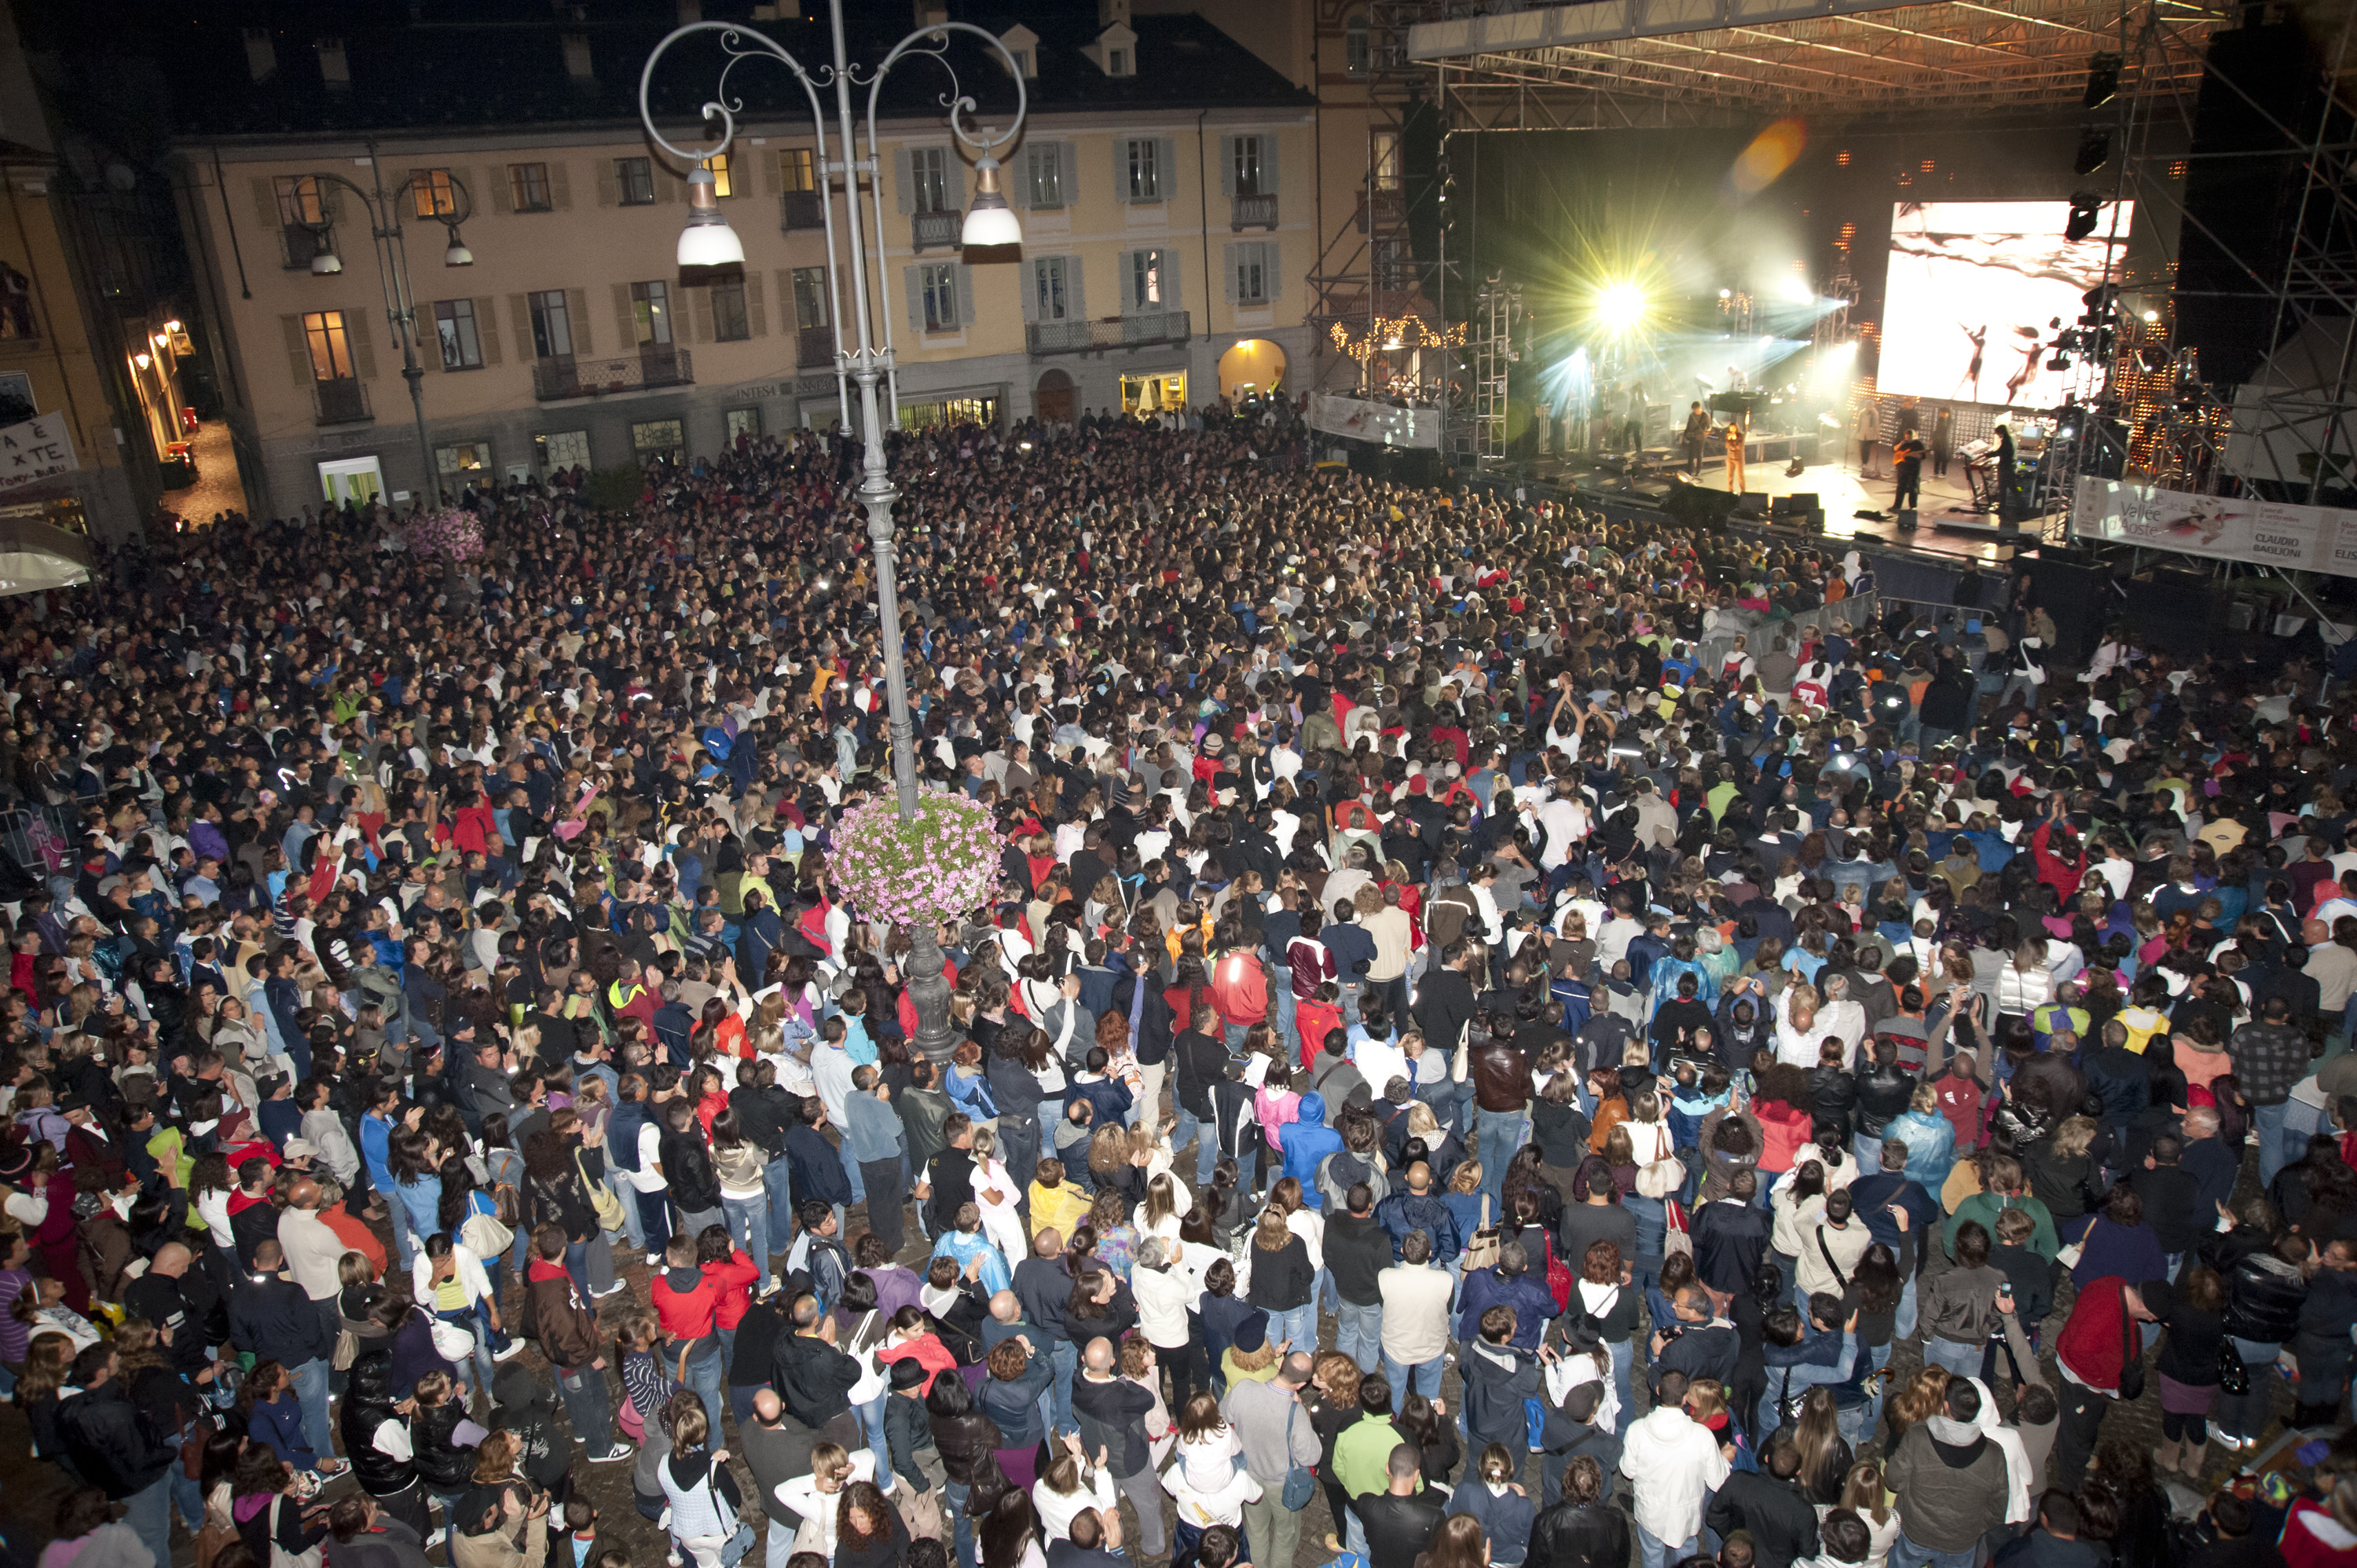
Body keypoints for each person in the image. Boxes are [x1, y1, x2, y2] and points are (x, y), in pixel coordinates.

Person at [1618, 1370, 1730, 1568]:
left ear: (1658, 1390)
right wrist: (1724, 1460)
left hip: (1650, 1513)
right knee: (1685, 1556)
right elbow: (1717, 1481)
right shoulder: (1702, 1436)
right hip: (1685, 1516)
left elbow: (1628, 1471)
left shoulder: (1637, 1430)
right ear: (1685, 1398)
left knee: (1652, 1556)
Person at [1891, 428, 1926, 515]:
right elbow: (1895, 449)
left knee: (1913, 487)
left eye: (1909, 437)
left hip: (1913, 468)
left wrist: (1914, 455)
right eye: (1906, 437)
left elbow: (1923, 456)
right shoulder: (1903, 443)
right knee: (1900, 487)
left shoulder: (1918, 444)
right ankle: (1897, 506)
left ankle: (1912, 506)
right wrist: (1900, 444)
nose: (1907, 439)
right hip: (1903, 468)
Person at [1683, 402, 1710, 477]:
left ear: (1699, 408)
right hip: (1692, 436)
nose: (1694, 411)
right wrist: (1686, 434)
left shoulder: (1705, 415)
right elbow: (1688, 426)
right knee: (1691, 454)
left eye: (1695, 409)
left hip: (1701, 437)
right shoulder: (1691, 415)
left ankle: (1698, 470)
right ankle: (1689, 471)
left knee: (1699, 454)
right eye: (1693, 409)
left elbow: (1709, 427)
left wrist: (1705, 432)